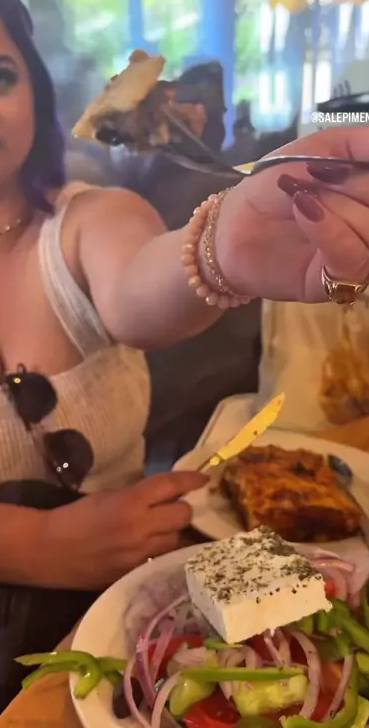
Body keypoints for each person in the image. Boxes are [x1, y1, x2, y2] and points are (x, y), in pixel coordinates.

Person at [0, 0, 369, 705]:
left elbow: (141, 285)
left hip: (127, 642)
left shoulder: (89, 220)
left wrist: (221, 249)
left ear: (35, 91)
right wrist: (42, 545)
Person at [110, 62, 262, 468]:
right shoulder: (165, 184)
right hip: (190, 386)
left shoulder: (217, 177)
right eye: (206, 107)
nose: (216, 119)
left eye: (220, 109)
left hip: (209, 381)